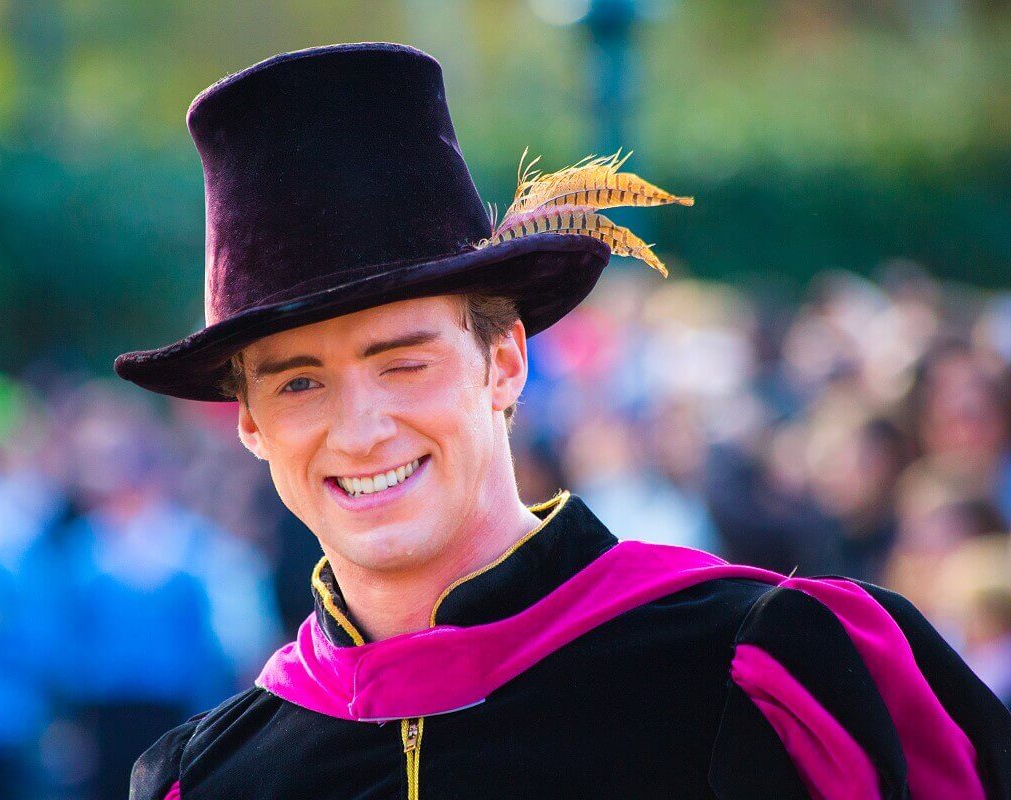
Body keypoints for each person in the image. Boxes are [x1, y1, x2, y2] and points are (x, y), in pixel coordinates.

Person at [114, 43, 1011, 799]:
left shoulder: (763, 672)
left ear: (504, 362)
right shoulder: (208, 777)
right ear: (250, 426)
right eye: (299, 384)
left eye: (404, 362)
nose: (359, 430)